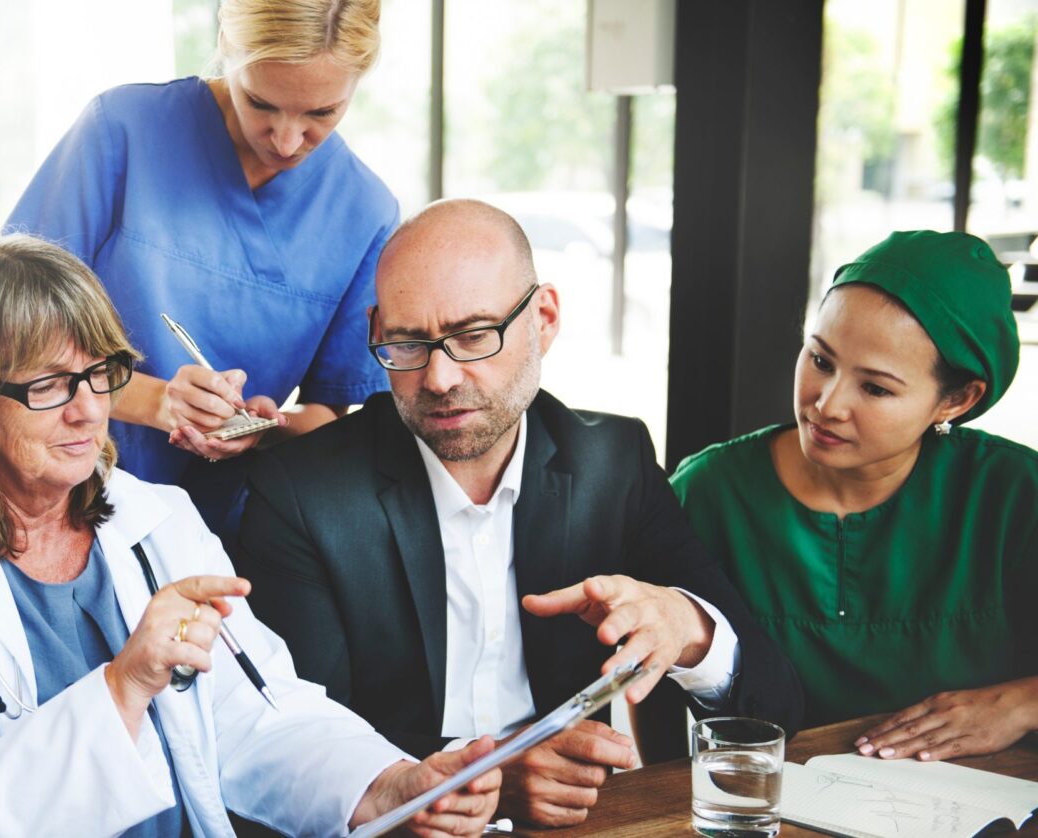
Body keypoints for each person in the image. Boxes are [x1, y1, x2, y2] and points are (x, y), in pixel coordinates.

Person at [0, 233, 504, 837]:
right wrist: (123, 687)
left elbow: (261, 716)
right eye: (54, 385)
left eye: (100, 375)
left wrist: (390, 786)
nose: (91, 412)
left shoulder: (161, 520)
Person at [236, 199, 805, 828]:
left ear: (545, 319)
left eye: (474, 335)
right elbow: (295, 746)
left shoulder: (612, 464)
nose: (441, 377)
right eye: (407, 343)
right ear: (376, 332)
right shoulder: (300, 492)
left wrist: (692, 628)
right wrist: (489, 779)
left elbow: (776, 708)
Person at [5, 0, 397, 538]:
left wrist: (261, 428)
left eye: (320, 114)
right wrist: (159, 402)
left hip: (220, 528)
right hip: (55, 498)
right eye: (261, 103)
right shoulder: (122, 131)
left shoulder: (365, 211)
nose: (286, 141)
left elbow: (326, 416)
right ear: (226, 47)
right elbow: (6, 329)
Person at [671, 230, 1038, 760]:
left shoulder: (1013, 497)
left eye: (876, 388)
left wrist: (1022, 704)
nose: (827, 404)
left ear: (955, 400)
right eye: (820, 360)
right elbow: (652, 674)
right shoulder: (707, 493)